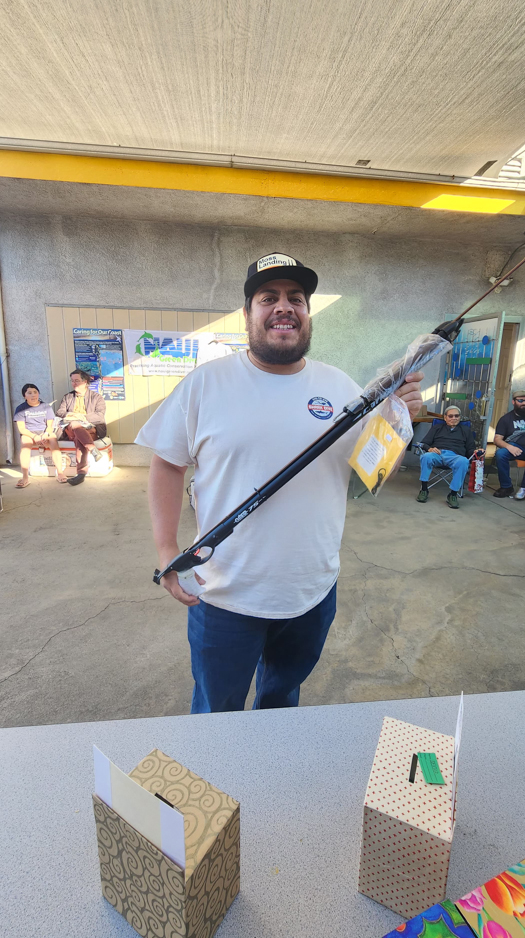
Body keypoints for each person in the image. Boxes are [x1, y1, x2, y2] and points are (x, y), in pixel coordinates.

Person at [135, 252, 423, 714]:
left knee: (281, 707)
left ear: (307, 314)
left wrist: (397, 421)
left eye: (296, 298)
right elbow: (167, 465)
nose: (284, 306)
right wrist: (167, 550)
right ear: (248, 314)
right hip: (223, 593)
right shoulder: (206, 384)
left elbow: (373, 472)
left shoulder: (341, 387)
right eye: (268, 297)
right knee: (216, 712)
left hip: (312, 590)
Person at [415, 405, 476, 509]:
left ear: (460, 417)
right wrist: (430, 449)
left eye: (456, 416)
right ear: (445, 417)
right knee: (426, 457)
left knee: (464, 461)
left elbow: (470, 449)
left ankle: (453, 495)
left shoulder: (465, 430)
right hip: (438, 454)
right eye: (450, 416)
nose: (454, 418)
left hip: (455, 457)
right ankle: (424, 490)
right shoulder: (437, 428)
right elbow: (424, 443)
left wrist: (476, 452)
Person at [56, 369, 107, 486]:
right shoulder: (68, 397)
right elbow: (59, 412)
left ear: (85, 382)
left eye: (77, 381)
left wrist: (82, 417)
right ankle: (92, 451)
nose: (74, 383)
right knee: (75, 425)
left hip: (90, 428)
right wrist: (71, 415)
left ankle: (81, 474)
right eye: (72, 381)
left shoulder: (97, 397)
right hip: (71, 428)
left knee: (79, 436)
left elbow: (99, 415)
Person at [13, 383, 68, 487]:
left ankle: (60, 473)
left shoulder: (46, 407)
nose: (33, 395)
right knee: (25, 445)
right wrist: (34, 437)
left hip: (44, 432)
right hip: (29, 433)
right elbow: (21, 429)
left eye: (35, 392)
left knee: (53, 440)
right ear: (24, 396)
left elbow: (50, 425)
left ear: (38, 393)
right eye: (29, 393)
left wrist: (45, 434)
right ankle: (25, 477)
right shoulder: (20, 409)